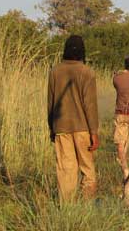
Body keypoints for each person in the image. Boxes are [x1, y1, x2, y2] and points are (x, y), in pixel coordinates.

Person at [47, 35, 99, 202]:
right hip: (83, 128)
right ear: (82, 51)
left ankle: (67, 210)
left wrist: (51, 128)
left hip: (61, 128)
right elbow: (90, 105)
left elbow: (51, 102)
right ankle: (86, 208)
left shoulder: (55, 71)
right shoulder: (87, 72)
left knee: (65, 171)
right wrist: (94, 133)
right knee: (88, 169)